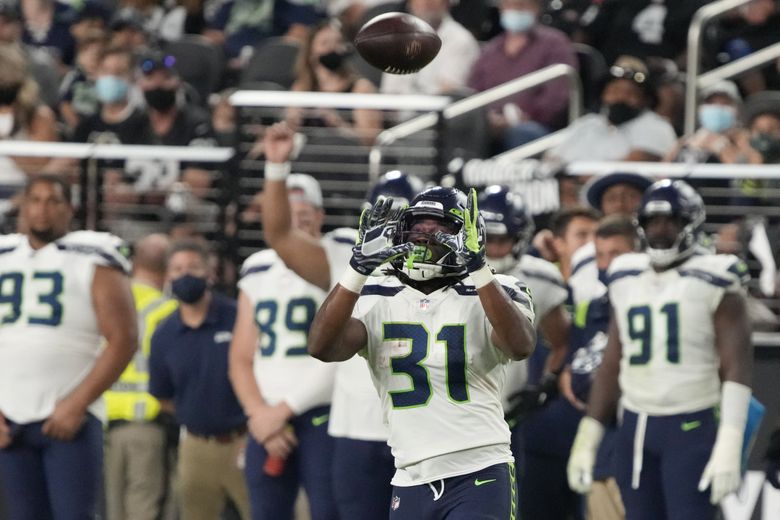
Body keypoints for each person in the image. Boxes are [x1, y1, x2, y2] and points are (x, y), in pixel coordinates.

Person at [308, 185, 537, 519]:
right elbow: (321, 347)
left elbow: (520, 346)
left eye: (439, 228)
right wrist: (356, 270)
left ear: (467, 233)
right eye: (418, 227)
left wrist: (478, 267)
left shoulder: (496, 289)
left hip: (480, 468)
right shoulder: (377, 293)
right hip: (410, 474)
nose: (426, 237)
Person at [568, 180, 753, 519]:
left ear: (691, 224)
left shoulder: (717, 276)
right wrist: (589, 433)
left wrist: (729, 439)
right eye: (653, 221)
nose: (661, 230)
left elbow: (736, 367)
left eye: (671, 220)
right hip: (635, 427)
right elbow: (612, 362)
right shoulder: (625, 274)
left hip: (691, 424)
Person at [0, 174, 137, 519]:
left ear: (70, 208)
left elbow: (124, 339)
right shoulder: (5, 256)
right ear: (23, 207)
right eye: (35, 200)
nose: (42, 209)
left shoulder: (93, 255)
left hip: (69, 417)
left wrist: (77, 404)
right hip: (8, 418)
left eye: (53, 200)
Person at [229, 123, 347, 520]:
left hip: (320, 411)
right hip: (265, 418)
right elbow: (242, 355)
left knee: (328, 512)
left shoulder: (338, 262)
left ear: (320, 216)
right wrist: (258, 414)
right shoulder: (258, 267)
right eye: (288, 215)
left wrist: (283, 409)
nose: (297, 224)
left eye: (305, 215)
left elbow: (340, 355)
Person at [479, 185, 576, 520]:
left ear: (520, 238)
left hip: (506, 417)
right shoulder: (448, 273)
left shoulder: (539, 278)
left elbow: (563, 340)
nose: (490, 248)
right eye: (484, 237)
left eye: (500, 239)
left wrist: (544, 386)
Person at [149, 240, 250, 520]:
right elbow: (162, 396)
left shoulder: (237, 316)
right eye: (178, 269)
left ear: (210, 272)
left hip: (245, 440)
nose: (185, 275)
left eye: (193, 267)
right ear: (168, 276)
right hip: (195, 445)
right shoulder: (164, 333)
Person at [562, 215, 639, 520]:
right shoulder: (596, 308)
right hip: (599, 449)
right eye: (600, 256)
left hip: (642, 448)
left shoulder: (653, 306)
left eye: (616, 254)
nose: (606, 265)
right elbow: (576, 369)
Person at [104, 232, 179, 520]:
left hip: (103, 422)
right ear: (167, 269)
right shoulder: (168, 310)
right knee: (144, 506)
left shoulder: (105, 300)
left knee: (112, 507)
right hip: (146, 424)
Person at [467, 0, 578, 149]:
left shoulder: (555, 44)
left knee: (521, 132)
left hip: (536, 127)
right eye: (510, 5)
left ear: (536, 9)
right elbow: (473, 90)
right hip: (490, 124)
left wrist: (521, 118)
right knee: (463, 131)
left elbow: (557, 96)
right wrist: (487, 119)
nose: (515, 10)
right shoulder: (490, 50)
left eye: (522, 5)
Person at [546, 55, 677, 164]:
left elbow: (634, 165)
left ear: (645, 99)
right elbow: (552, 160)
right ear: (603, 95)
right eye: (614, 91)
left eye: (630, 93)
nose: (621, 97)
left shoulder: (657, 127)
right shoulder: (586, 123)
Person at [287, 20, 382, 146]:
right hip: (308, 156)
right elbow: (290, 129)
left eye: (337, 42)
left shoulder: (360, 88)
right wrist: (293, 123)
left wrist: (337, 123)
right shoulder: (301, 88)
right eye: (325, 43)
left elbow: (370, 140)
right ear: (311, 53)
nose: (332, 48)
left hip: (346, 157)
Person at [380, 0, 479, 97]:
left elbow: (448, 94)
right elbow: (389, 92)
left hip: (436, 111)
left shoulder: (461, 40)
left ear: (446, 3)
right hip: (399, 109)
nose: (425, 2)